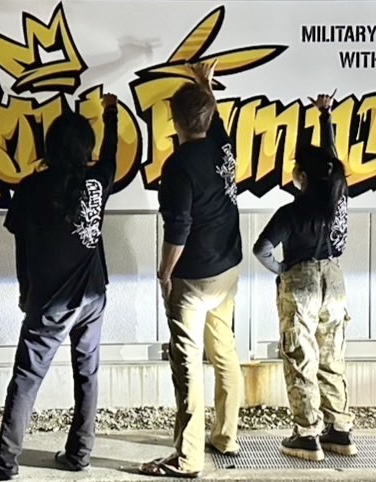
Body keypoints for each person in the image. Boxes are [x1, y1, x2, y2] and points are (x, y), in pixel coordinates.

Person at [0, 94, 118, 481]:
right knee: (87, 373)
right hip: (92, 297)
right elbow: (111, 155)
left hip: (50, 301)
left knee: (26, 378)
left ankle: (5, 463)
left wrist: (26, 292)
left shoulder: (30, 188)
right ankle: (80, 454)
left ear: (49, 146)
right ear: (85, 148)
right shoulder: (97, 182)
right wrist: (111, 113)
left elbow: (22, 248)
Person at [139, 61, 243, 479]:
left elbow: (178, 229)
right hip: (227, 269)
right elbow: (212, 116)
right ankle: (226, 436)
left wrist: (165, 273)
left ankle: (187, 460)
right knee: (224, 350)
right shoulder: (223, 147)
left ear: (173, 120)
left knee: (187, 367)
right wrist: (204, 84)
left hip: (195, 278)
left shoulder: (178, 166)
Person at [252, 91, 356, 461]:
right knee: (332, 356)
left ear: (303, 177)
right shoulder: (338, 200)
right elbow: (331, 159)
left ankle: (307, 434)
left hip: (302, 283)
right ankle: (340, 431)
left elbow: (262, 249)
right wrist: (325, 116)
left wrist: (282, 271)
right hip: (335, 280)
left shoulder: (291, 211)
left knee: (301, 358)